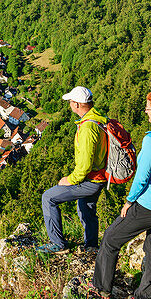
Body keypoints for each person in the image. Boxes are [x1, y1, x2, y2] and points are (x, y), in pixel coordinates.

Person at [77, 88, 151, 299]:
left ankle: (101, 288)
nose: (146, 111)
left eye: (149, 107)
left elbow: (142, 177)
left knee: (110, 239)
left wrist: (129, 201)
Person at [38, 86, 108, 253]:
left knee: (48, 198)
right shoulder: (99, 119)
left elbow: (84, 165)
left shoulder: (87, 128)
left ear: (77, 104)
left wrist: (69, 180)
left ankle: (58, 244)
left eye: (70, 102)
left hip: (90, 179)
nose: (69, 104)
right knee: (85, 208)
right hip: (100, 176)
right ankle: (91, 246)